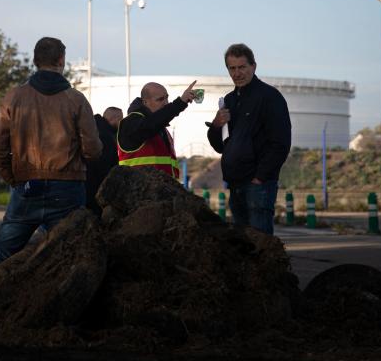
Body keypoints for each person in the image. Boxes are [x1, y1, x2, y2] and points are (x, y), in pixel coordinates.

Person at [0, 37, 102, 281]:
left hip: (26, 187)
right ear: (61, 61)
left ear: (34, 60)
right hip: (67, 188)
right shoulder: (75, 99)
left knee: (3, 251)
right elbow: (93, 149)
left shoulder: (14, 97)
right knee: (69, 251)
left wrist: (15, 179)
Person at [207, 44, 291, 234]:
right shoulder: (229, 100)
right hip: (235, 184)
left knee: (259, 243)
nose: (238, 73)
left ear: (253, 66)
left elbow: (280, 143)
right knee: (242, 245)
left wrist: (260, 177)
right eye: (232, 68)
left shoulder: (269, 97)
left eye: (242, 67)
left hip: (258, 185)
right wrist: (216, 125)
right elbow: (220, 146)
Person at [117, 81, 198, 179]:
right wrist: (180, 103)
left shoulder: (161, 128)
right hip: (138, 191)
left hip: (160, 191)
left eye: (167, 97)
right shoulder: (131, 123)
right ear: (145, 102)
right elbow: (149, 126)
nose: (166, 103)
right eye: (160, 99)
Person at [85, 106, 123, 214]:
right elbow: (105, 165)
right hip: (96, 186)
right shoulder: (105, 136)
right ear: (113, 119)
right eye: (120, 119)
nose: (121, 124)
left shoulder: (93, 129)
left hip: (86, 183)